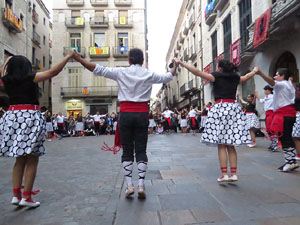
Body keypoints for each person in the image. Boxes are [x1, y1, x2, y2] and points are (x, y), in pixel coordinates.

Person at [73, 48, 177, 199]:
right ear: (143, 61)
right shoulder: (149, 74)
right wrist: (176, 66)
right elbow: (168, 76)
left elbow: (97, 68)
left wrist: (79, 59)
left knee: (127, 150)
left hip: (126, 114)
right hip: (142, 114)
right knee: (141, 149)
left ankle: (129, 185)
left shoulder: (121, 72)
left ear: (129, 60)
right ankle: (141, 184)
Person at [0, 52, 74, 207]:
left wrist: (7, 61)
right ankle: (26, 197)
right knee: (33, 157)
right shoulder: (30, 78)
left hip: (12, 116)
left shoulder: (6, 80)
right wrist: (67, 57)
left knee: (19, 159)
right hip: (29, 116)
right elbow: (54, 72)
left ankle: (16, 195)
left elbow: (3, 70)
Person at [175, 59, 256, 182]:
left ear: (220, 68)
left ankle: (224, 174)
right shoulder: (235, 77)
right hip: (234, 108)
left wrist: (181, 63)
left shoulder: (216, 76)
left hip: (220, 108)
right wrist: (255, 70)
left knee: (221, 144)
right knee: (231, 144)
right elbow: (247, 76)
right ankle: (234, 174)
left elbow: (197, 72)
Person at [256, 68, 298, 172]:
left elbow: (271, 82)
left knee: (285, 138)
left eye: (276, 75)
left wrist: (260, 73)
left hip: (284, 114)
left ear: (282, 75)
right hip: (289, 113)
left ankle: (290, 162)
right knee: (287, 137)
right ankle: (290, 160)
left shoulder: (282, 84)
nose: (274, 77)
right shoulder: (289, 85)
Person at [255, 86, 278, 151]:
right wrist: (257, 95)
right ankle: (273, 142)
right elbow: (261, 101)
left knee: (271, 129)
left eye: (265, 90)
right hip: (267, 113)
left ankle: (275, 143)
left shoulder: (273, 96)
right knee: (268, 129)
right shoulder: (266, 97)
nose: (264, 91)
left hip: (272, 113)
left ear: (269, 90)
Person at [292, 83, 300, 161]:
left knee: (296, 136)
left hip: (298, 115)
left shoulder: (297, 96)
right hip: (296, 115)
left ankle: (299, 154)